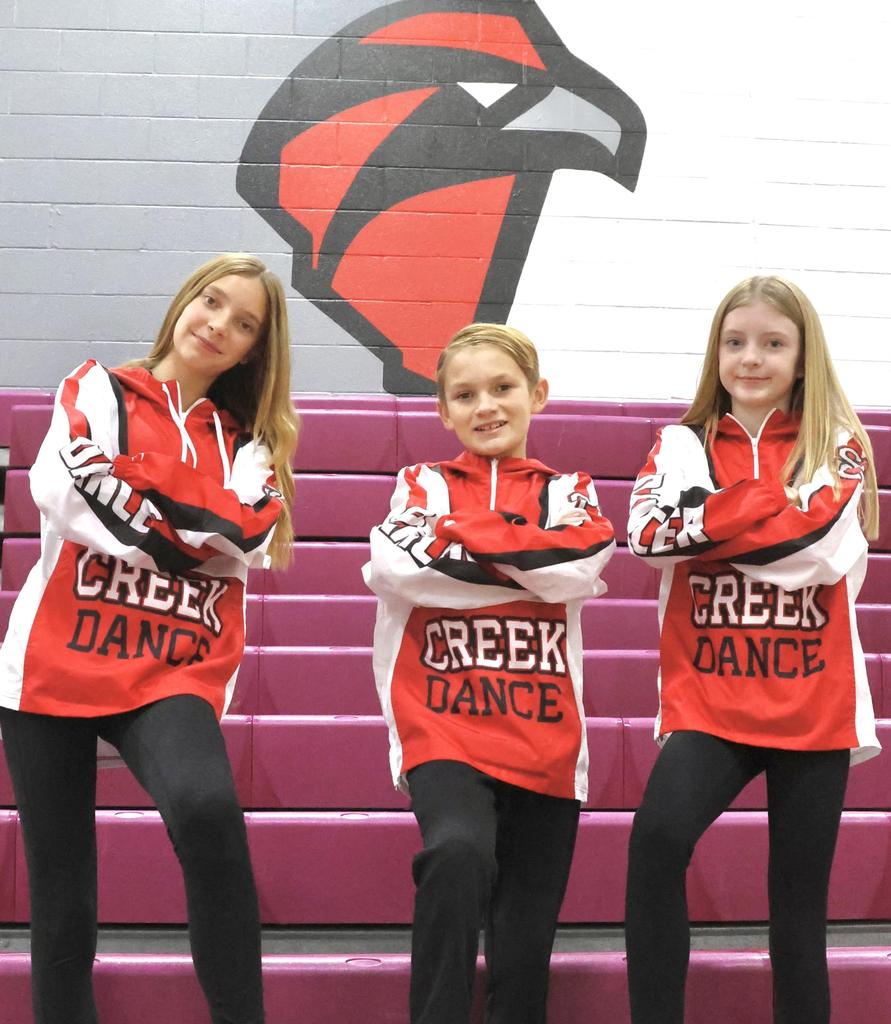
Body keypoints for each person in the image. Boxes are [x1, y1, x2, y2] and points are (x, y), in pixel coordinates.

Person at [0, 253, 299, 1024]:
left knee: (207, 813)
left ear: (253, 352)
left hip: (173, 667)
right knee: (63, 907)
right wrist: (189, 526)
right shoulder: (95, 389)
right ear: (184, 300)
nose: (219, 325)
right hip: (50, 664)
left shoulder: (251, 446)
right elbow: (62, 491)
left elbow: (246, 530)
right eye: (212, 301)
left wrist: (133, 483)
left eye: (244, 324)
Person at [624, 275, 881, 1024]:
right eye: (734, 342)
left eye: (772, 343)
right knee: (655, 845)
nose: (751, 358)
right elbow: (647, 537)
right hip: (710, 697)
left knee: (798, 917)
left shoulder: (837, 443)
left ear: (801, 358)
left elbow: (816, 550)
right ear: (716, 352)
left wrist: (705, 521)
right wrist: (765, 504)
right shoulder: (680, 444)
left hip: (815, 704)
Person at [363, 323, 616, 1024]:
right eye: (465, 394)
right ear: (443, 411)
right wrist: (526, 561)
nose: (486, 406)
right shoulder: (421, 484)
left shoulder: (570, 490)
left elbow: (576, 568)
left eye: (503, 388)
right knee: (456, 853)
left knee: (523, 949)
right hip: (441, 724)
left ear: (537, 393)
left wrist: (466, 539)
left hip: (546, 738)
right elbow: (397, 568)